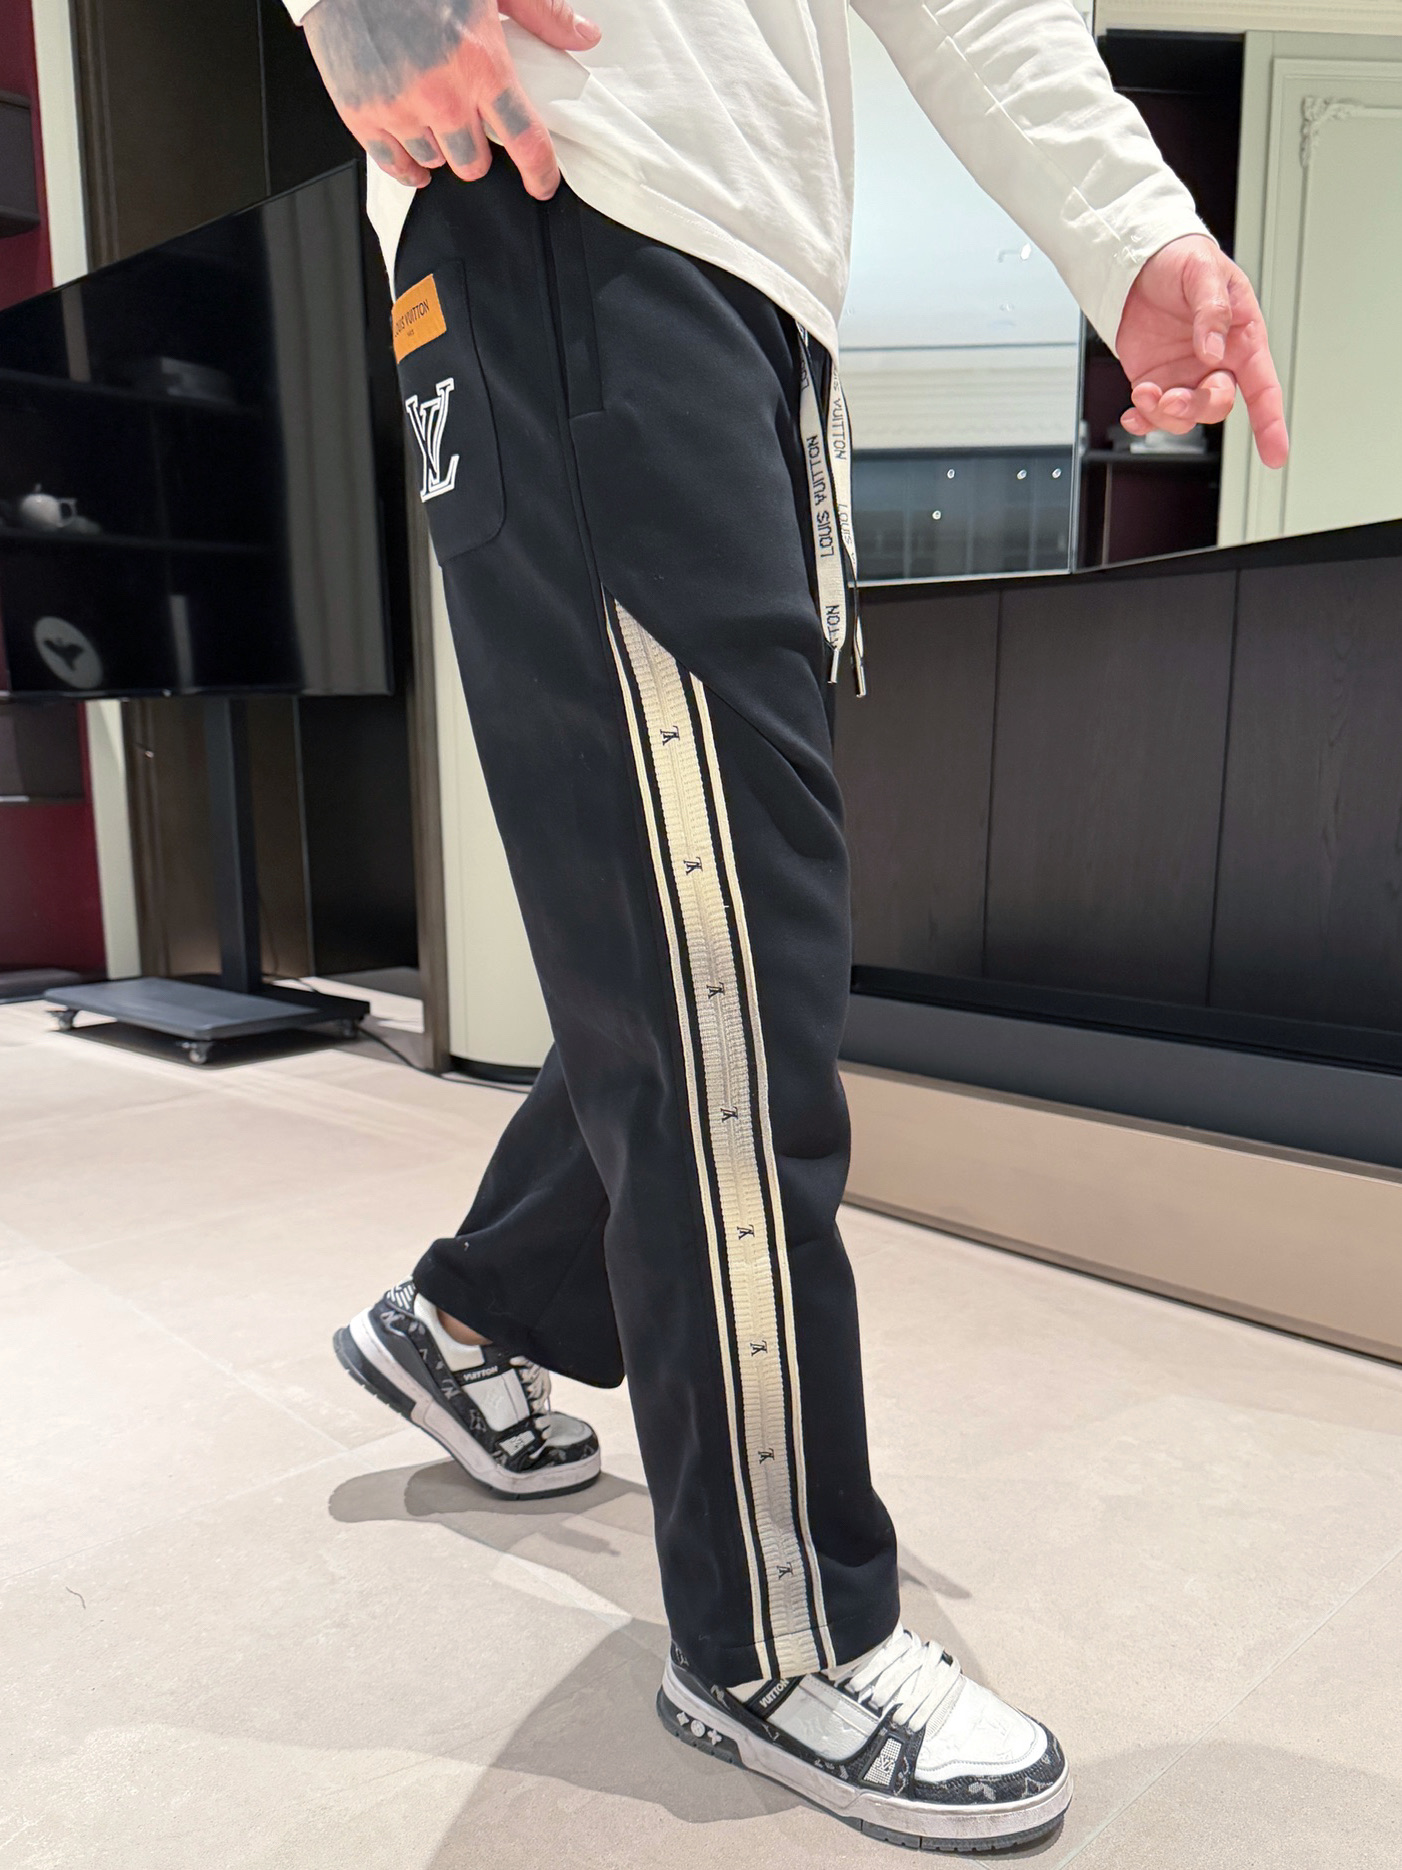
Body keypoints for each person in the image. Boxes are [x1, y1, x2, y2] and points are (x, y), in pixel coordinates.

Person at [291, 0, 1288, 1850]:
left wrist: (1130, 231)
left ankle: (469, 1310)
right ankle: (775, 1633)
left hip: (754, 291)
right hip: (566, 200)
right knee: (726, 971)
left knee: (727, 941)